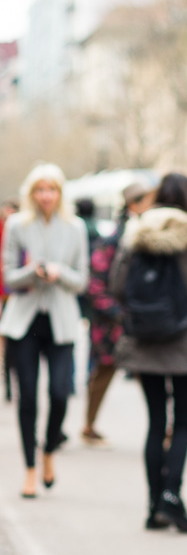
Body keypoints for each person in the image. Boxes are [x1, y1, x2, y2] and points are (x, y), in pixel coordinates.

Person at [110, 172, 187, 531]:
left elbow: (117, 286)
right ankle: (172, 497)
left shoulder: (136, 233)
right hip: (185, 341)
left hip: (145, 340)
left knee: (155, 422)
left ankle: (153, 505)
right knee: (183, 424)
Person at [0, 164, 88, 498]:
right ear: (31, 193)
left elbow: (81, 280)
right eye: (40, 190)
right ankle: (30, 470)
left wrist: (59, 272)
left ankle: (49, 450)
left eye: (51, 189)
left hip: (61, 323)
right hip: (24, 322)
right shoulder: (16, 225)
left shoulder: (75, 227)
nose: (46, 196)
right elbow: (8, 276)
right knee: (27, 399)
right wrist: (33, 272)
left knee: (60, 394)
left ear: (60, 193)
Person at [81, 182, 154, 443]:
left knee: (150, 374)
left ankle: (161, 429)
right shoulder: (115, 238)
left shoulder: (144, 233)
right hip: (113, 321)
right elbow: (95, 282)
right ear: (134, 204)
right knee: (103, 372)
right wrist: (116, 311)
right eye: (148, 201)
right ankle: (88, 426)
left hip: (132, 317)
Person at [1, 198, 20, 402]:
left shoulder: (21, 230)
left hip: (14, 293)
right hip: (5, 290)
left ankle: (10, 382)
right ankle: (7, 382)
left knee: (11, 339)